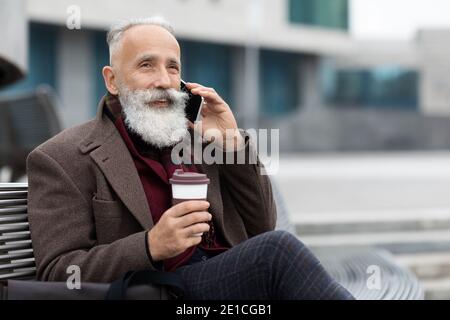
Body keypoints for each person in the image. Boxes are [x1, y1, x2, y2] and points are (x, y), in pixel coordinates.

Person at [26, 17, 354, 300]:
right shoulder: (61, 157)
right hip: (157, 291)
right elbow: (59, 274)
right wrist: (150, 245)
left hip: (228, 284)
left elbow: (262, 225)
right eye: (146, 65)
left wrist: (231, 144)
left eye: (173, 68)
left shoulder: (197, 139)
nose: (164, 81)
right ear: (113, 80)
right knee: (278, 253)